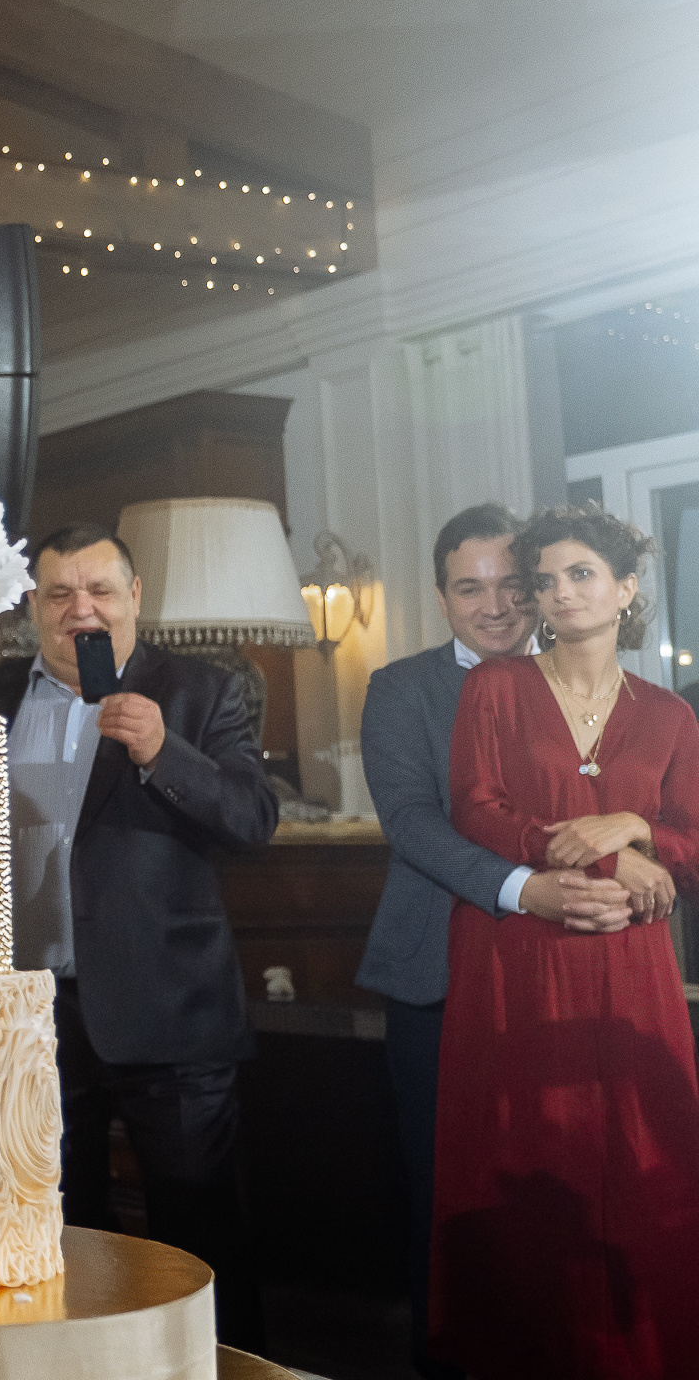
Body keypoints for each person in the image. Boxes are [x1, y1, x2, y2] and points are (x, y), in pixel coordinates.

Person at [0, 523, 277, 1352]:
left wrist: (162, 750)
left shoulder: (201, 690)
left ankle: (220, 1368)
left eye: (100, 590)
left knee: (199, 1230)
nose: (82, 609)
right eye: (60, 593)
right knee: (56, 1230)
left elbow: (253, 819)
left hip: (166, 1007)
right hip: (26, 1015)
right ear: (32, 605)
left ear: (135, 597)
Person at [356, 502, 631, 1380]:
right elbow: (412, 822)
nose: (497, 605)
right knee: (452, 1201)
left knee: (562, 1197)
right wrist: (525, 890)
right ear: (442, 598)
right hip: (438, 978)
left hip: (569, 980)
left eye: (514, 584)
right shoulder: (403, 690)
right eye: (470, 589)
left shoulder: (591, 683)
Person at [433, 505, 699, 1379]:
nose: (560, 593)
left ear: (626, 589)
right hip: (520, 954)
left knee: (642, 1159)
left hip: (632, 964)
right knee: (528, 1164)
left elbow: (694, 842)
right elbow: (476, 809)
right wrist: (602, 852)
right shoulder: (497, 687)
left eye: (581, 574)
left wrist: (635, 829)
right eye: (545, 580)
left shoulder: (669, 715)